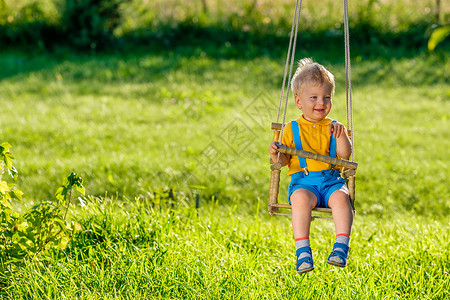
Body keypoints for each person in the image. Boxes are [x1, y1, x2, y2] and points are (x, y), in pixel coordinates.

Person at [269, 58, 354, 274]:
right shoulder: (291, 128)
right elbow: (283, 161)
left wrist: (342, 135)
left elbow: (345, 155)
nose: (321, 102)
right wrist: (276, 156)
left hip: (331, 181)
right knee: (299, 200)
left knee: (342, 198)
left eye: (327, 97)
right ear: (299, 102)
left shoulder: (333, 127)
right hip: (304, 183)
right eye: (314, 97)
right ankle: (303, 251)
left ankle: (341, 246)